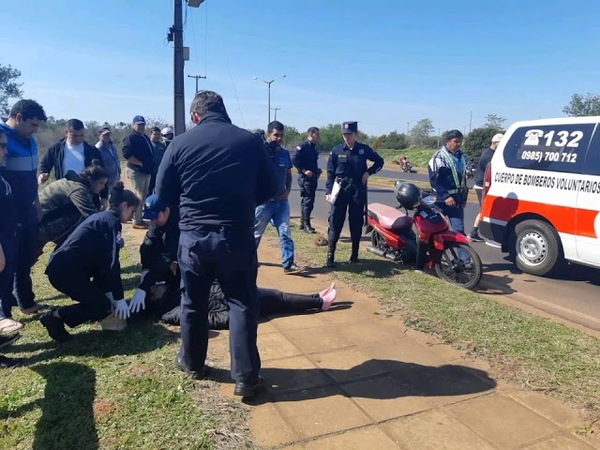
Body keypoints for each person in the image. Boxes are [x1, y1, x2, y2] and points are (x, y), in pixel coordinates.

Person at [156, 90, 278, 397]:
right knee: (241, 303)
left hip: (194, 237)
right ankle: (246, 378)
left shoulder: (179, 143)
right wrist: (244, 203)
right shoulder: (250, 141)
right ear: (223, 112)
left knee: (192, 302)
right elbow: (272, 188)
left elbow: (163, 193)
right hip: (236, 235)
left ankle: (192, 361)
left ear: (195, 116)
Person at [138, 195, 337, 326]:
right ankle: (319, 301)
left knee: (276, 297)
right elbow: (213, 319)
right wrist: (240, 317)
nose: (153, 222)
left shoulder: (181, 224)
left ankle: (317, 298)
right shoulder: (171, 311)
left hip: (218, 285)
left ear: (166, 211)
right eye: (154, 291)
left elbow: (159, 256)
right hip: (229, 300)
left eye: (156, 217)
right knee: (276, 299)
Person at [38, 182, 140, 342]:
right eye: (132, 211)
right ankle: (55, 317)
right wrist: (119, 299)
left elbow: (104, 263)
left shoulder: (102, 218)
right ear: (124, 205)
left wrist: (109, 292)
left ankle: (95, 306)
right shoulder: (111, 223)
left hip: (66, 268)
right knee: (102, 307)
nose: (132, 217)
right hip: (65, 273)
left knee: (102, 302)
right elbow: (113, 264)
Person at [0, 99, 48, 318]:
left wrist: (36, 202)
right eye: (33, 125)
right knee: (7, 263)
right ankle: (4, 314)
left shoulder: (30, 140)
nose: (35, 130)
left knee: (26, 258)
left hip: (28, 210)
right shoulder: (3, 139)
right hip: (9, 213)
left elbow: (31, 176)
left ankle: (26, 302)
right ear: (19, 118)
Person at [325, 121, 384, 268]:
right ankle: (330, 257)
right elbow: (330, 174)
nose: (347, 137)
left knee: (356, 222)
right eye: (344, 134)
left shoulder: (363, 150)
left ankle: (354, 255)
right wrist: (328, 192)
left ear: (355, 134)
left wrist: (368, 172)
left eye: (349, 134)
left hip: (357, 189)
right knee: (335, 222)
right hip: (340, 190)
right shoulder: (337, 150)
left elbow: (379, 161)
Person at [254, 121, 306, 275]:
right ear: (269, 134)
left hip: (281, 202)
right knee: (256, 234)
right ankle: (247, 261)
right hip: (264, 203)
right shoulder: (261, 152)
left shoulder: (284, 153)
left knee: (285, 232)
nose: (279, 138)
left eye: (281, 135)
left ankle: (288, 264)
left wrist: (288, 190)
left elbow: (289, 175)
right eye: (276, 135)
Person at [38, 161, 108, 252]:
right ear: (90, 179)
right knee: (79, 220)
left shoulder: (72, 182)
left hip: (39, 220)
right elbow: (92, 216)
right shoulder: (78, 190)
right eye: (101, 183)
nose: (103, 187)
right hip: (38, 225)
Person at [0, 130, 22, 334]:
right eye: (2, 146)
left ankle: (5, 314)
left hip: (8, 236)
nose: (6, 151)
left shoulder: (1, 173)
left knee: (6, 279)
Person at [428, 129, 468, 234]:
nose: (459, 144)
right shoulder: (439, 157)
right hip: (441, 201)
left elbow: (462, 178)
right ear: (448, 141)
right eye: (456, 141)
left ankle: (462, 251)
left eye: (460, 141)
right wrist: (446, 196)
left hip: (457, 201)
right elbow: (434, 180)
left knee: (459, 232)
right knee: (436, 231)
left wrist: (463, 198)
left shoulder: (461, 156)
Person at [469, 133, 504, 241]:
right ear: (495, 143)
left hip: (483, 185)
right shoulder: (490, 155)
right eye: (501, 143)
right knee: (485, 210)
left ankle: (474, 232)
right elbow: (491, 172)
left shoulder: (491, 152)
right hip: (482, 186)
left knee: (484, 209)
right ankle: (474, 232)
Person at [122, 115, 154, 229]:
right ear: (133, 125)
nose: (141, 126)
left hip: (146, 171)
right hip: (137, 171)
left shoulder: (143, 136)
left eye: (143, 124)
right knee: (138, 195)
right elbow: (126, 154)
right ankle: (137, 220)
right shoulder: (131, 137)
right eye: (139, 124)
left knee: (143, 195)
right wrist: (138, 163)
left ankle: (138, 217)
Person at [293, 127, 321, 234]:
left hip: (313, 178)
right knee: (308, 201)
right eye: (317, 135)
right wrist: (304, 171)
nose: (318, 137)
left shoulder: (313, 147)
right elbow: (294, 160)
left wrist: (317, 171)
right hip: (305, 178)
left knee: (307, 200)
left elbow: (312, 163)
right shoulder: (303, 146)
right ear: (312, 134)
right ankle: (306, 225)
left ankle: (302, 223)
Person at [95, 127, 121, 194]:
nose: (107, 137)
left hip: (115, 179)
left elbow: (117, 159)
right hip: (105, 181)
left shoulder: (112, 146)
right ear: (99, 135)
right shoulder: (97, 148)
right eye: (104, 135)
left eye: (108, 135)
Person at [147, 127, 167, 196]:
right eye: (155, 134)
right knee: (148, 191)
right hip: (149, 172)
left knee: (159, 190)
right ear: (151, 134)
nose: (157, 136)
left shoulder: (163, 146)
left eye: (158, 134)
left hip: (159, 172)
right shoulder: (147, 145)